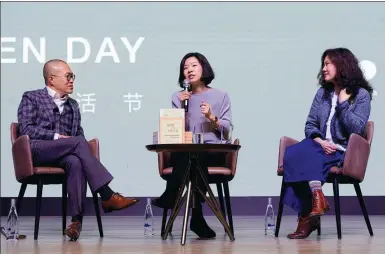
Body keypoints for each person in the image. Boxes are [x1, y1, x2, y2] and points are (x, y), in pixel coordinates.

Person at [17, 59, 139, 241]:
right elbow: (25, 129)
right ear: (51, 79)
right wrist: (57, 137)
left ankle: (76, 223)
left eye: (72, 76)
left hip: (63, 155)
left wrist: (74, 143)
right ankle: (107, 195)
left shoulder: (73, 105)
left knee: (75, 161)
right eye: (68, 76)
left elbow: (78, 133)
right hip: (36, 151)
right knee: (78, 143)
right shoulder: (31, 97)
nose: (72, 80)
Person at [282, 48, 373, 239]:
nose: (323, 68)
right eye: (323, 64)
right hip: (319, 146)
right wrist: (320, 141)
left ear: (342, 65)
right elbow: (310, 124)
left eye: (327, 64)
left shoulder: (361, 95)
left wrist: (343, 104)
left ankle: (306, 218)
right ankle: (317, 197)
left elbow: (357, 129)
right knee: (291, 153)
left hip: (342, 152)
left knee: (306, 157)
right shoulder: (322, 93)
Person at [151, 52, 233, 239]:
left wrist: (212, 118)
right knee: (191, 157)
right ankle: (197, 219)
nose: (189, 70)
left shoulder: (220, 95)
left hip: (212, 151)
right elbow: (175, 130)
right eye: (185, 67)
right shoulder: (178, 97)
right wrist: (181, 107)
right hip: (184, 152)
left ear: (204, 68)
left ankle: (171, 195)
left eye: (194, 65)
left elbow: (228, 129)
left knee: (196, 158)